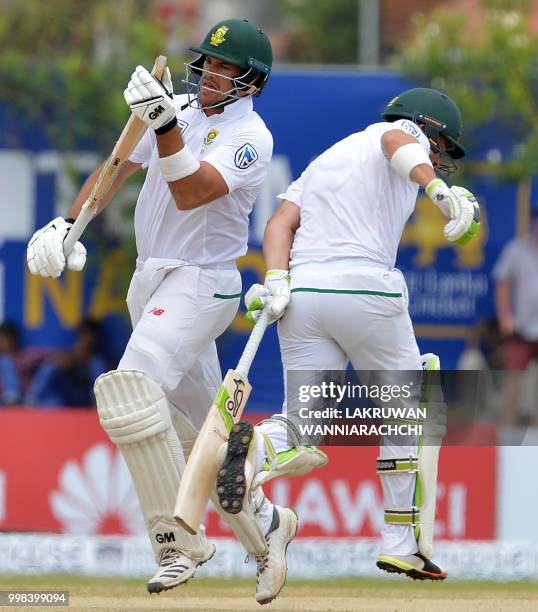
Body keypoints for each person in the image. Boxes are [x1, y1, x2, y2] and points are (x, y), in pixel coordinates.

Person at [26, 18, 294, 605]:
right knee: (208, 439)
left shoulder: (253, 138)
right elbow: (118, 165)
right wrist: (71, 223)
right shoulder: (179, 108)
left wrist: (166, 123)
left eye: (225, 68)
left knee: (131, 391)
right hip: (151, 280)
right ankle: (269, 528)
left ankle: (175, 541)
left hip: (203, 282)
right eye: (207, 62)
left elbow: (191, 190)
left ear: (251, 81)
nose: (211, 73)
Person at [221, 87, 480, 581]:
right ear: (426, 126)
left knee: (303, 425)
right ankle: (401, 540)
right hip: (364, 288)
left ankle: (253, 450)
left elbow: (280, 223)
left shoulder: (325, 160)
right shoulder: (398, 134)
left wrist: (275, 279)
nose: (439, 156)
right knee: (408, 407)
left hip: (304, 293)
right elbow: (399, 145)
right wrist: (437, 191)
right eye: (441, 145)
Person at [493, 208, 538, 425]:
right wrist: (505, 318)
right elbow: (503, 283)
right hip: (521, 329)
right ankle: (506, 436)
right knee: (512, 382)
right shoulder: (517, 249)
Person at [24, 319, 106, 407]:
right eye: (82, 336)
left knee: (96, 364)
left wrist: (80, 364)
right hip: (63, 399)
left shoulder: (96, 361)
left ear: (95, 339)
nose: (85, 340)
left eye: (88, 337)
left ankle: (97, 405)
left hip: (84, 399)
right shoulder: (70, 354)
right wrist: (68, 362)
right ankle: (30, 400)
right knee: (52, 365)